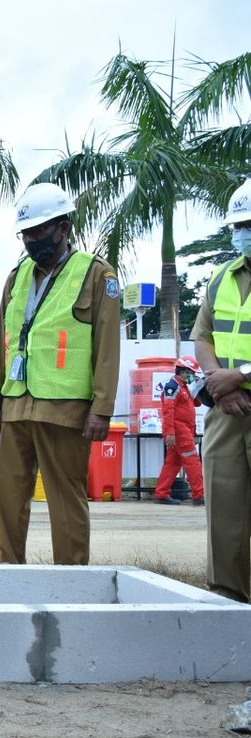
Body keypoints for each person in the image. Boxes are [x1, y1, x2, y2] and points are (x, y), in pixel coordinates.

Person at [0, 183, 121, 566]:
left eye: (39, 231)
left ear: (64, 228)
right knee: (8, 498)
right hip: (16, 406)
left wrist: (102, 408)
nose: (31, 240)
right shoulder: (17, 276)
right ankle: (6, 576)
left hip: (65, 409)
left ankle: (72, 581)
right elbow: (3, 341)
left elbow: (108, 347)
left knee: (65, 499)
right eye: (26, 233)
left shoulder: (95, 274)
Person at [193, 177, 251, 602]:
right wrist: (220, 383)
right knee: (224, 511)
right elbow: (203, 338)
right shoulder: (220, 278)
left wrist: (241, 376)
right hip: (227, 411)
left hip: (240, 389)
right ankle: (227, 600)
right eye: (239, 226)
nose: (242, 233)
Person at [152, 356, 204, 506]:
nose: (193, 375)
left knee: (173, 463)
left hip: (184, 430)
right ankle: (200, 495)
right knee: (193, 461)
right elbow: (168, 411)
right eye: (191, 373)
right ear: (183, 371)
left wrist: (197, 386)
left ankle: (161, 494)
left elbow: (197, 404)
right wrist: (169, 433)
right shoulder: (172, 386)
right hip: (179, 430)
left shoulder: (183, 386)